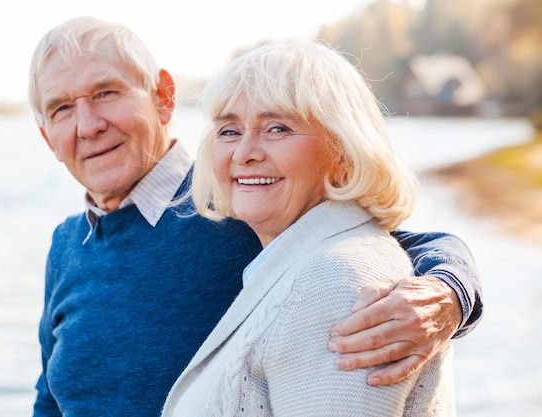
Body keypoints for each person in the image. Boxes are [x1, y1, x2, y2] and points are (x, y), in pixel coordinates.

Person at [27, 16, 481, 417]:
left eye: (105, 93)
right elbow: (50, 400)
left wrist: (451, 290)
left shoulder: (237, 199)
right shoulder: (68, 245)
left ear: (164, 97)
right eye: (62, 108)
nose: (87, 125)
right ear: (48, 137)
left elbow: (372, 243)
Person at [163, 41, 456, 416]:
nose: (244, 153)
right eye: (229, 131)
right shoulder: (304, 256)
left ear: (343, 150)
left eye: (277, 128)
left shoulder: (337, 281)